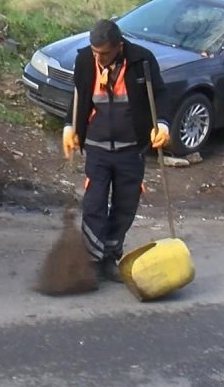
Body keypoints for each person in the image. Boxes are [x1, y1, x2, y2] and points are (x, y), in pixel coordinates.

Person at [62, 17, 170, 283]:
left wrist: (164, 125)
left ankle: (110, 257)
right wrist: (69, 126)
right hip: (97, 147)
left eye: (105, 53)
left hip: (131, 148)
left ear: (119, 46)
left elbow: (160, 96)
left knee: (125, 205)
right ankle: (92, 261)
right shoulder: (85, 60)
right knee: (94, 203)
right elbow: (78, 97)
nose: (99, 58)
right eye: (95, 51)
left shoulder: (141, 61)